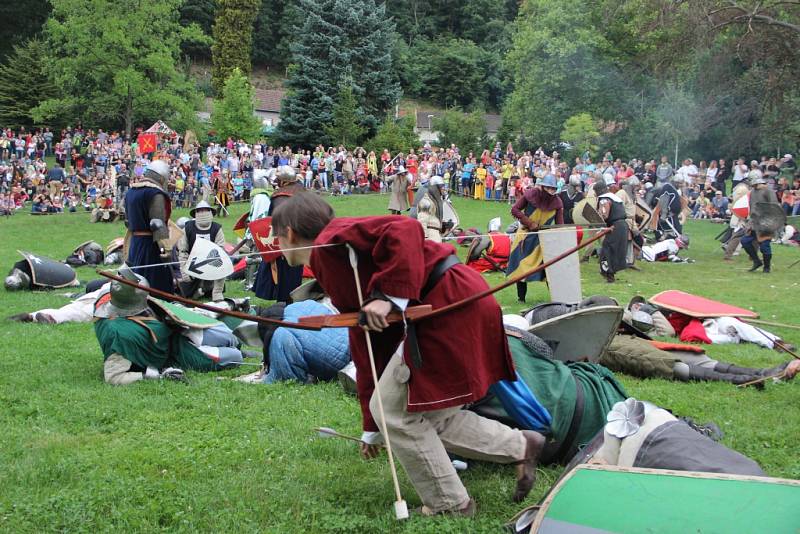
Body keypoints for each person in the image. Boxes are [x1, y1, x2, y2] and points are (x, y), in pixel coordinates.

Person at [270, 193, 545, 516]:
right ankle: (521, 446)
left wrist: (388, 295)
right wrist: (372, 426)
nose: (274, 243)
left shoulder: (334, 236)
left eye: (276, 236)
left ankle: (450, 505)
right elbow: (368, 341)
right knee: (427, 414)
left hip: (450, 305)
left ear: (288, 233)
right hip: (461, 301)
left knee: (397, 414)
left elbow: (404, 229)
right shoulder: (329, 258)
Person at [94, 266, 243, 386]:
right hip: (179, 354)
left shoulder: (115, 299)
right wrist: (156, 374)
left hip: (184, 333)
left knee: (229, 337)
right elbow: (113, 376)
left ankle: (234, 346)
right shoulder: (119, 333)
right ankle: (236, 351)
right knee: (236, 356)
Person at [508, 174, 564, 302]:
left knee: (550, 270)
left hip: (544, 240)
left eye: (553, 189)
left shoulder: (557, 203)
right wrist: (529, 223)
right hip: (525, 236)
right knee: (521, 269)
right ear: (543, 187)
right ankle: (521, 298)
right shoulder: (530, 194)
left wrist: (559, 236)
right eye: (548, 188)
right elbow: (515, 209)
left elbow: (560, 225)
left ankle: (557, 298)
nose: (551, 191)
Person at [253, 165, 305, 303]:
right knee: (294, 274)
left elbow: (275, 221)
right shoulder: (302, 191)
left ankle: (284, 303)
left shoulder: (280, 197)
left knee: (284, 276)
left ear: (284, 181)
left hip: (284, 242)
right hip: (300, 241)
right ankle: (291, 301)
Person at [124, 159, 173, 292]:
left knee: (136, 280)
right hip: (150, 245)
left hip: (135, 243)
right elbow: (156, 224)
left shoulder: (131, 192)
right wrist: (165, 250)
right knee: (156, 283)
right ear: (161, 177)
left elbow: (127, 222)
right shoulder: (155, 194)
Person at [176, 201, 225, 301]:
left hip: (211, 263)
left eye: (205, 210)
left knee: (221, 267)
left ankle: (216, 292)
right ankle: (197, 290)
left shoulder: (216, 229)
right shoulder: (188, 228)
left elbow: (220, 252)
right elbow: (183, 251)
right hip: (193, 265)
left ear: (210, 212)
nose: (203, 213)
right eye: (200, 211)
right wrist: (184, 270)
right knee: (186, 293)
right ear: (196, 213)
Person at [741, 176, 783, 273]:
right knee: (745, 241)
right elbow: (752, 208)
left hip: (766, 222)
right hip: (755, 222)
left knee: (764, 246)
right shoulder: (752, 192)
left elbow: (774, 206)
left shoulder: (768, 191)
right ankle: (756, 261)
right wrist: (750, 222)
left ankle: (767, 267)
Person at [594, 180, 628, 283]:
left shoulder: (604, 199)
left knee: (607, 249)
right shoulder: (614, 197)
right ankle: (610, 273)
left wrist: (598, 216)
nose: (595, 194)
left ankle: (609, 274)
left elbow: (605, 214)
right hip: (622, 226)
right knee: (614, 250)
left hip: (615, 227)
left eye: (595, 191)